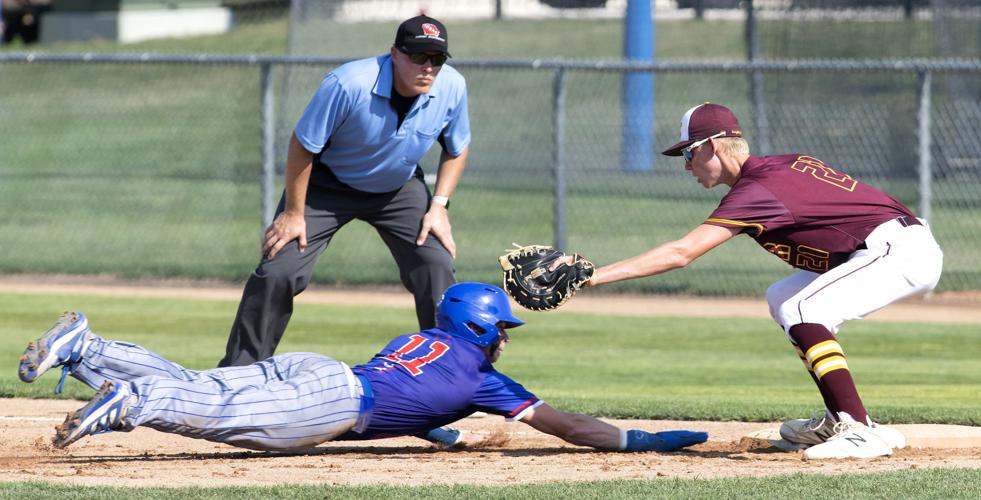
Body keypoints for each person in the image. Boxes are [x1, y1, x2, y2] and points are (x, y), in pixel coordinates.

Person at [562, 103, 943, 460]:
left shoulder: (758, 189)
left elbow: (682, 253)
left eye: (688, 153)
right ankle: (837, 418)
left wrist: (592, 277)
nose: (686, 166)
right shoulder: (780, 167)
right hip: (894, 245)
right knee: (783, 296)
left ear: (712, 146)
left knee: (804, 308)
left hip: (897, 250)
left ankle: (860, 428)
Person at [17, 283, 708, 453]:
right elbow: (567, 425)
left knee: (201, 384)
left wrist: (437, 432)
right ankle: (129, 404)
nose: (505, 339)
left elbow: (412, 399)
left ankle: (89, 348)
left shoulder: (424, 342)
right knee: (218, 415)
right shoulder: (481, 377)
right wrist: (635, 440)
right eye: (501, 327)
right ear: (480, 329)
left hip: (319, 370)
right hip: (334, 403)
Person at [220, 15, 469, 369]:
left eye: (437, 59)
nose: (428, 67)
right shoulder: (349, 83)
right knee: (279, 271)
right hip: (326, 185)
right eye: (418, 56)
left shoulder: (452, 87)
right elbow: (303, 146)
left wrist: (439, 206)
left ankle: (449, 376)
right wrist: (293, 214)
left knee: (436, 264)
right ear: (394, 53)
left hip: (398, 188)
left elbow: (458, 147)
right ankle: (237, 374)